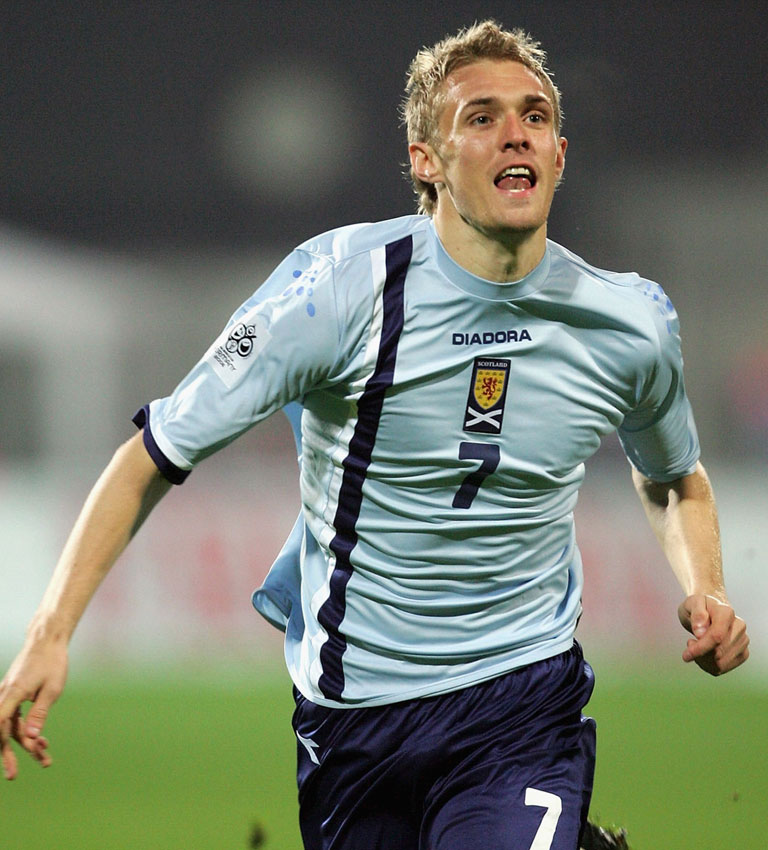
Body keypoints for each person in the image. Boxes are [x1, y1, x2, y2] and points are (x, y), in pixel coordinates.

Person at [0, 20, 750, 850]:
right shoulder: (334, 296)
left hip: (521, 703)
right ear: (426, 160)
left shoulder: (628, 323)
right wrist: (50, 635)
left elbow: (673, 475)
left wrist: (707, 587)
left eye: (535, 116)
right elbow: (153, 455)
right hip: (354, 717)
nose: (516, 133)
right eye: (482, 117)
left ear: (559, 154)